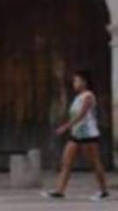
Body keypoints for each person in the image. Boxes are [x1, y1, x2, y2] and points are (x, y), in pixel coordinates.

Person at [41, 70, 110, 201]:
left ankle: (104, 191)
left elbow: (82, 114)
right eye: (74, 80)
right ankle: (59, 191)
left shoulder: (88, 96)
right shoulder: (78, 97)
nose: (74, 83)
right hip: (76, 134)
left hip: (88, 134)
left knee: (95, 163)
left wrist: (65, 127)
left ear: (84, 82)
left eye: (76, 80)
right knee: (66, 162)